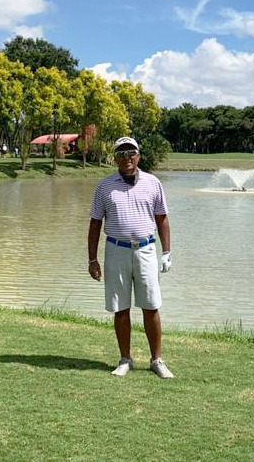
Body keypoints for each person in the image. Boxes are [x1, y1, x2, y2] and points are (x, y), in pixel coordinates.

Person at [87, 136, 174, 379]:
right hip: (116, 250)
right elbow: (95, 223)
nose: (127, 158)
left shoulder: (153, 183)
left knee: (151, 306)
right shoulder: (104, 187)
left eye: (131, 153)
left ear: (138, 155)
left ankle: (156, 360)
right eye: (121, 154)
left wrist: (166, 252)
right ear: (115, 158)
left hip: (146, 250)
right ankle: (125, 359)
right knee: (120, 308)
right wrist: (92, 259)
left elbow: (162, 218)